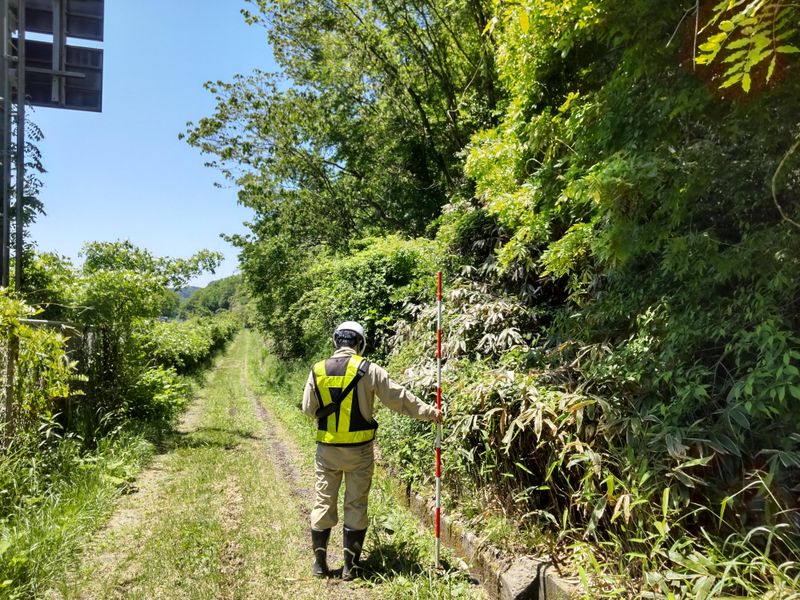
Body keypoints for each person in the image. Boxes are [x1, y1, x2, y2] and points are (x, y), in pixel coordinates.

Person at [301, 320, 441, 580]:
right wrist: (431, 413)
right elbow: (399, 398)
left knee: (323, 502)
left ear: (336, 341)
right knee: (355, 505)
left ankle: (320, 565)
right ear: (360, 343)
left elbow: (309, 409)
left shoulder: (317, 369)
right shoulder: (370, 369)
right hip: (360, 453)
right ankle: (350, 568)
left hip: (327, 451)